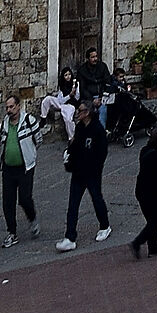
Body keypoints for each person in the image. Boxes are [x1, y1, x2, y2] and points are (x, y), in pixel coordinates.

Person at [56, 100, 110, 249]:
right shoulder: (80, 127)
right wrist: (69, 156)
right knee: (73, 204)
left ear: (87, 113)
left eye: (80, 111)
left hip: (92, 173)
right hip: (78, 172)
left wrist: (96, 168)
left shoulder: (97, 129)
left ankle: (105, 226)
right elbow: (75, 145)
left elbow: (102, 152)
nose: (77, 113)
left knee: (97, 198)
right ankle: (70, 237)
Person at [0, 93, 41, 245]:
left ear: (18, 106)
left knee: (24, 198)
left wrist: (30, 154)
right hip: (8, 169)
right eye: (7, 107)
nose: (9, 110)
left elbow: (38, 139)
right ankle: (12, 232)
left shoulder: (29, 121)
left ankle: (32, 219)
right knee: (8, 202)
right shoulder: (4, 124)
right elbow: (1, 139)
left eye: (11, 107)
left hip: (25, 168)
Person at [129, 127, 157, 256]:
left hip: (140, 190)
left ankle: (152, 247)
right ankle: (137, 242)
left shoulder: (144, 151)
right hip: (152, 193)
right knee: (156, 220)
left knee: (151, 221)